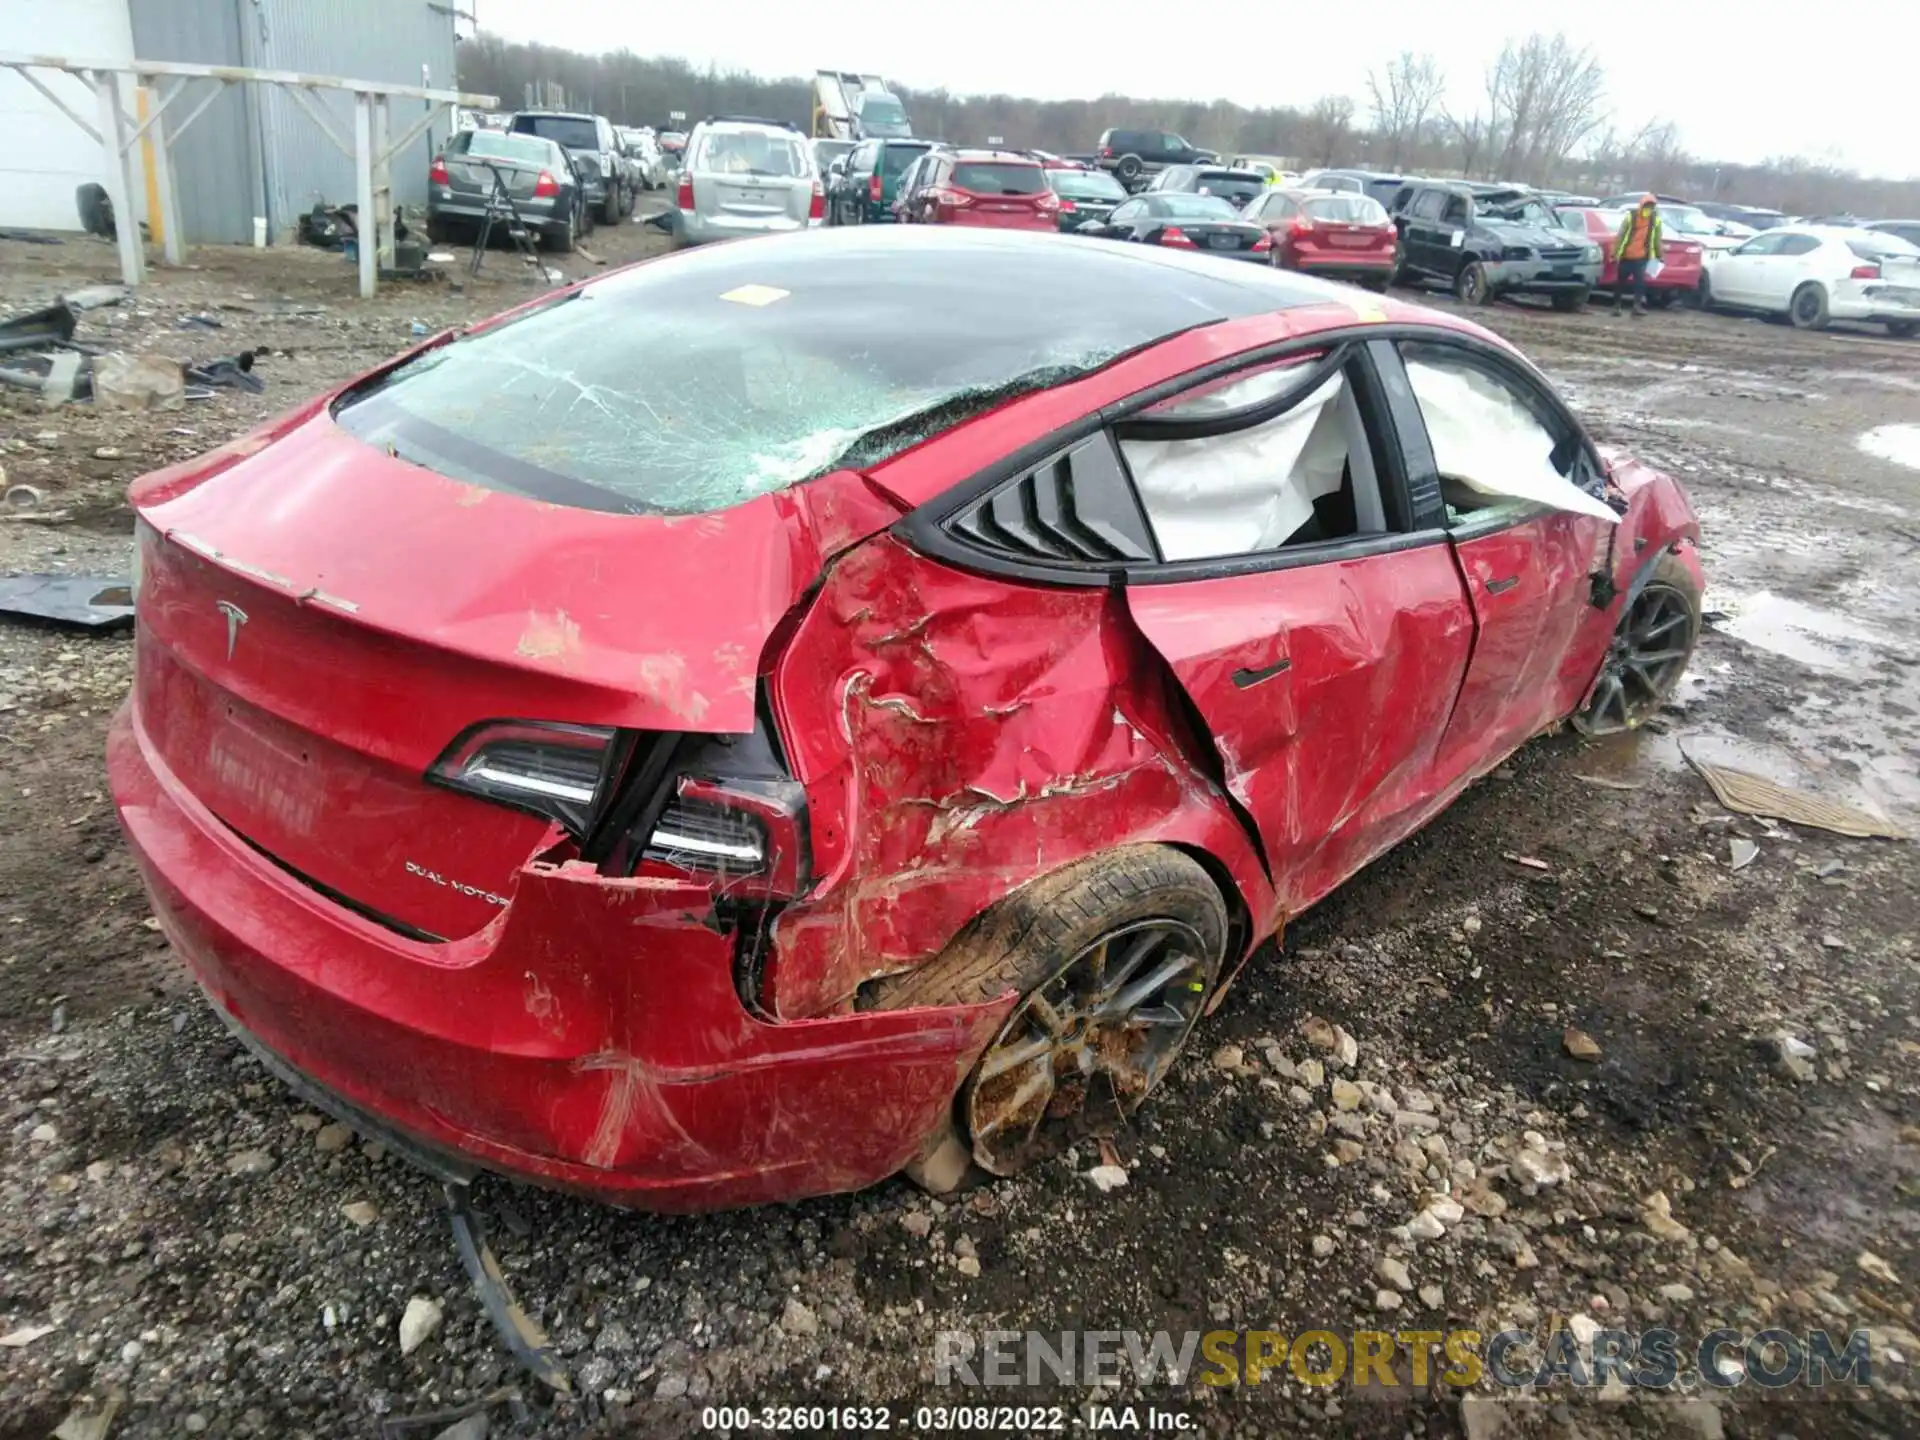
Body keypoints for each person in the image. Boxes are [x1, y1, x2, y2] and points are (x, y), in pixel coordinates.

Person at [1611, 194, 1663, 317]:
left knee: (1640, 283)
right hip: (1626, 256)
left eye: (1651, 207)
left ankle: (1637, 306)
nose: (1648, 209)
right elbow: (1621, 235)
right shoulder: (1631, 217)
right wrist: (1615, 253)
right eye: (1646, 206)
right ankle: (1616, 306)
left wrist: (1659, 255)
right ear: (1641, 205)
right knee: (1620, 283)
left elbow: (1657, 239)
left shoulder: (1655, 220)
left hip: (1642, 257)